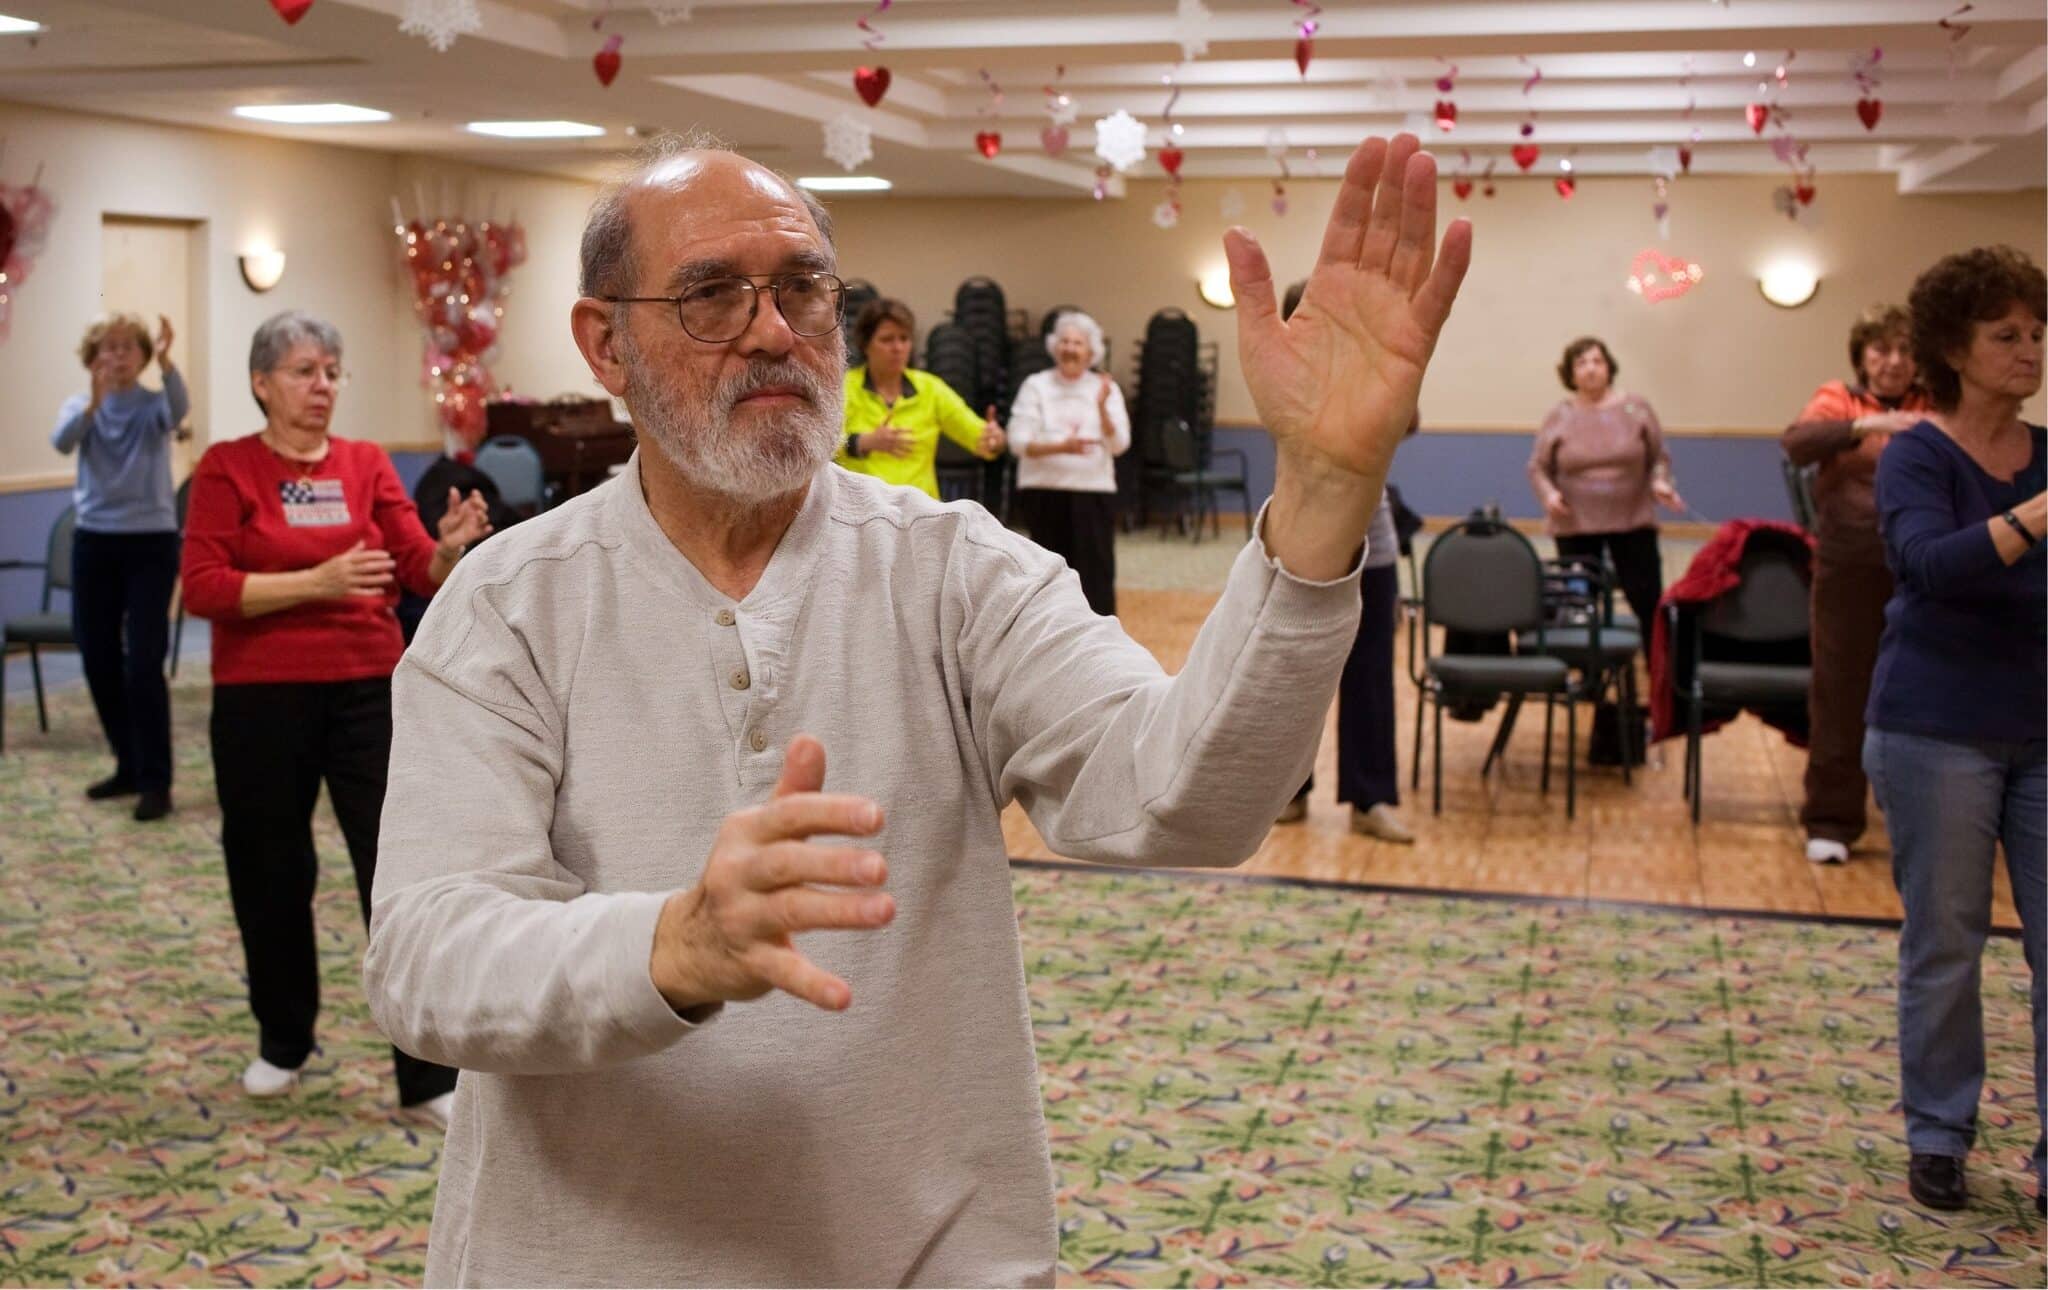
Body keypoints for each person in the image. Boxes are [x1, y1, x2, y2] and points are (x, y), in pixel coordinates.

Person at [363, 131, 1471, 1285]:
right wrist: (675, 947)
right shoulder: (507, 604)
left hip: (923, 1254)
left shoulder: (955, 572)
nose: (772, 330)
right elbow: (427, 962)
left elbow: (1180, 800)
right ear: (606, 344)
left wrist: (1327, 493)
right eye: (710, 297)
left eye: (802, 288)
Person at [179, 310, 492, 1124]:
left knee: (395, 874)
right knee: (272, 871)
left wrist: (450, 546)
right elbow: (205, 587)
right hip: (260, 697)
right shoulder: (226, 468)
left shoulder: (364, 464)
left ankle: (426, 1076)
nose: (322, 388)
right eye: (304, 372)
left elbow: (416, 567)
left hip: (365, 688)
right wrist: (316, 583)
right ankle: (283, 1041)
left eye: (330, 373)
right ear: (262, 383)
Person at [1863, 245, 2044, 1216]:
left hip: (2040, 727)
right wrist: (2034, 517)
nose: (2027, 352)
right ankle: (1937, 1134)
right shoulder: (1918, 454)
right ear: (1952, 348)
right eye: (2003, 336)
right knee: (1946, 943)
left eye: (2034, 334)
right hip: (1933, 728)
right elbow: (1925, 565)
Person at [1781, 305, 1930, 865]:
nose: (1894, 362)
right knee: (1840, 690)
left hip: (1924, 570)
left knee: (1923, 693)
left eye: (1905, 350)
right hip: (1848, 565)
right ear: (1862, 356)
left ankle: (1922, 820)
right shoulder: (1839, 399)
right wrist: (1867, 426)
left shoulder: (1934, 403)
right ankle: (1832, 822)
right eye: (1881, 350)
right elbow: (1796, 443)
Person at [1274, 281, 1412, 843]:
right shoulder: (1283, 376)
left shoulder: (1376, 371)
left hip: (1372, 552)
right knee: (1295, 679)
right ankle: (1288, 791)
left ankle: (1370, 797)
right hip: (1302, 550)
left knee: (1371, 678)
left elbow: (1406, 421)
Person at [49, 313, 186, 822]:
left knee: (143, 664)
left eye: (130, 347)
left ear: (144, 355)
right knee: (98, 657)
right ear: (93, 357)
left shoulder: (153, 405)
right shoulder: (80, 406)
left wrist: (170, 364)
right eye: (109, 348)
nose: (119, 355)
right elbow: (62, 441)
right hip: (96, 544)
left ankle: (156, 781)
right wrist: (93, 401)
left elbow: (178, 409)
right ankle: (127, 764)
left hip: (150, 542)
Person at [1526, 336, 1685, 633]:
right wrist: (1548, 496)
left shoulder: (1636, 408)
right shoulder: (1560, 416)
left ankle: (1660, 672)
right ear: (1570, 374)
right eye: (1581, 363)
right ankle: (1588, 673)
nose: (1590, 369)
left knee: (1647, 600)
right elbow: (1537, 467)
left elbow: (1659, 458)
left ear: (1609, 367)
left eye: (1597, 361)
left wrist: (1660, 483)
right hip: (1575, 523)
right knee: (1579, 607)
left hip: (1633, 521)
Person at [1005, 310, 1130, 616]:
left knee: (1095, 577)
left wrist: (1101, 409)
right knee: (1047, 576)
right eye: (1064, 341)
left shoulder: (1106, 389)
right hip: (1043, 492)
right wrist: (1064, 447)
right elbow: (1018, 442)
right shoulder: (1036, 385)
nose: (1070, 348)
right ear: (1053, 346)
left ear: (1091, 352)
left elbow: (1119, 444)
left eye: (1077, 343)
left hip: (1093, 493)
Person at [835, 297, 1005, 498]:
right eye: (887, 339)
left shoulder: (931, 388)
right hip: (863, 506)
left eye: (904, 338)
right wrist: (864, 442)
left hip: (921, 511)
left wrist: (994, 439)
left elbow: (978, 438)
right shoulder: (844, 387)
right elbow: (824, 446)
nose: (898, 348)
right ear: (865, 345)